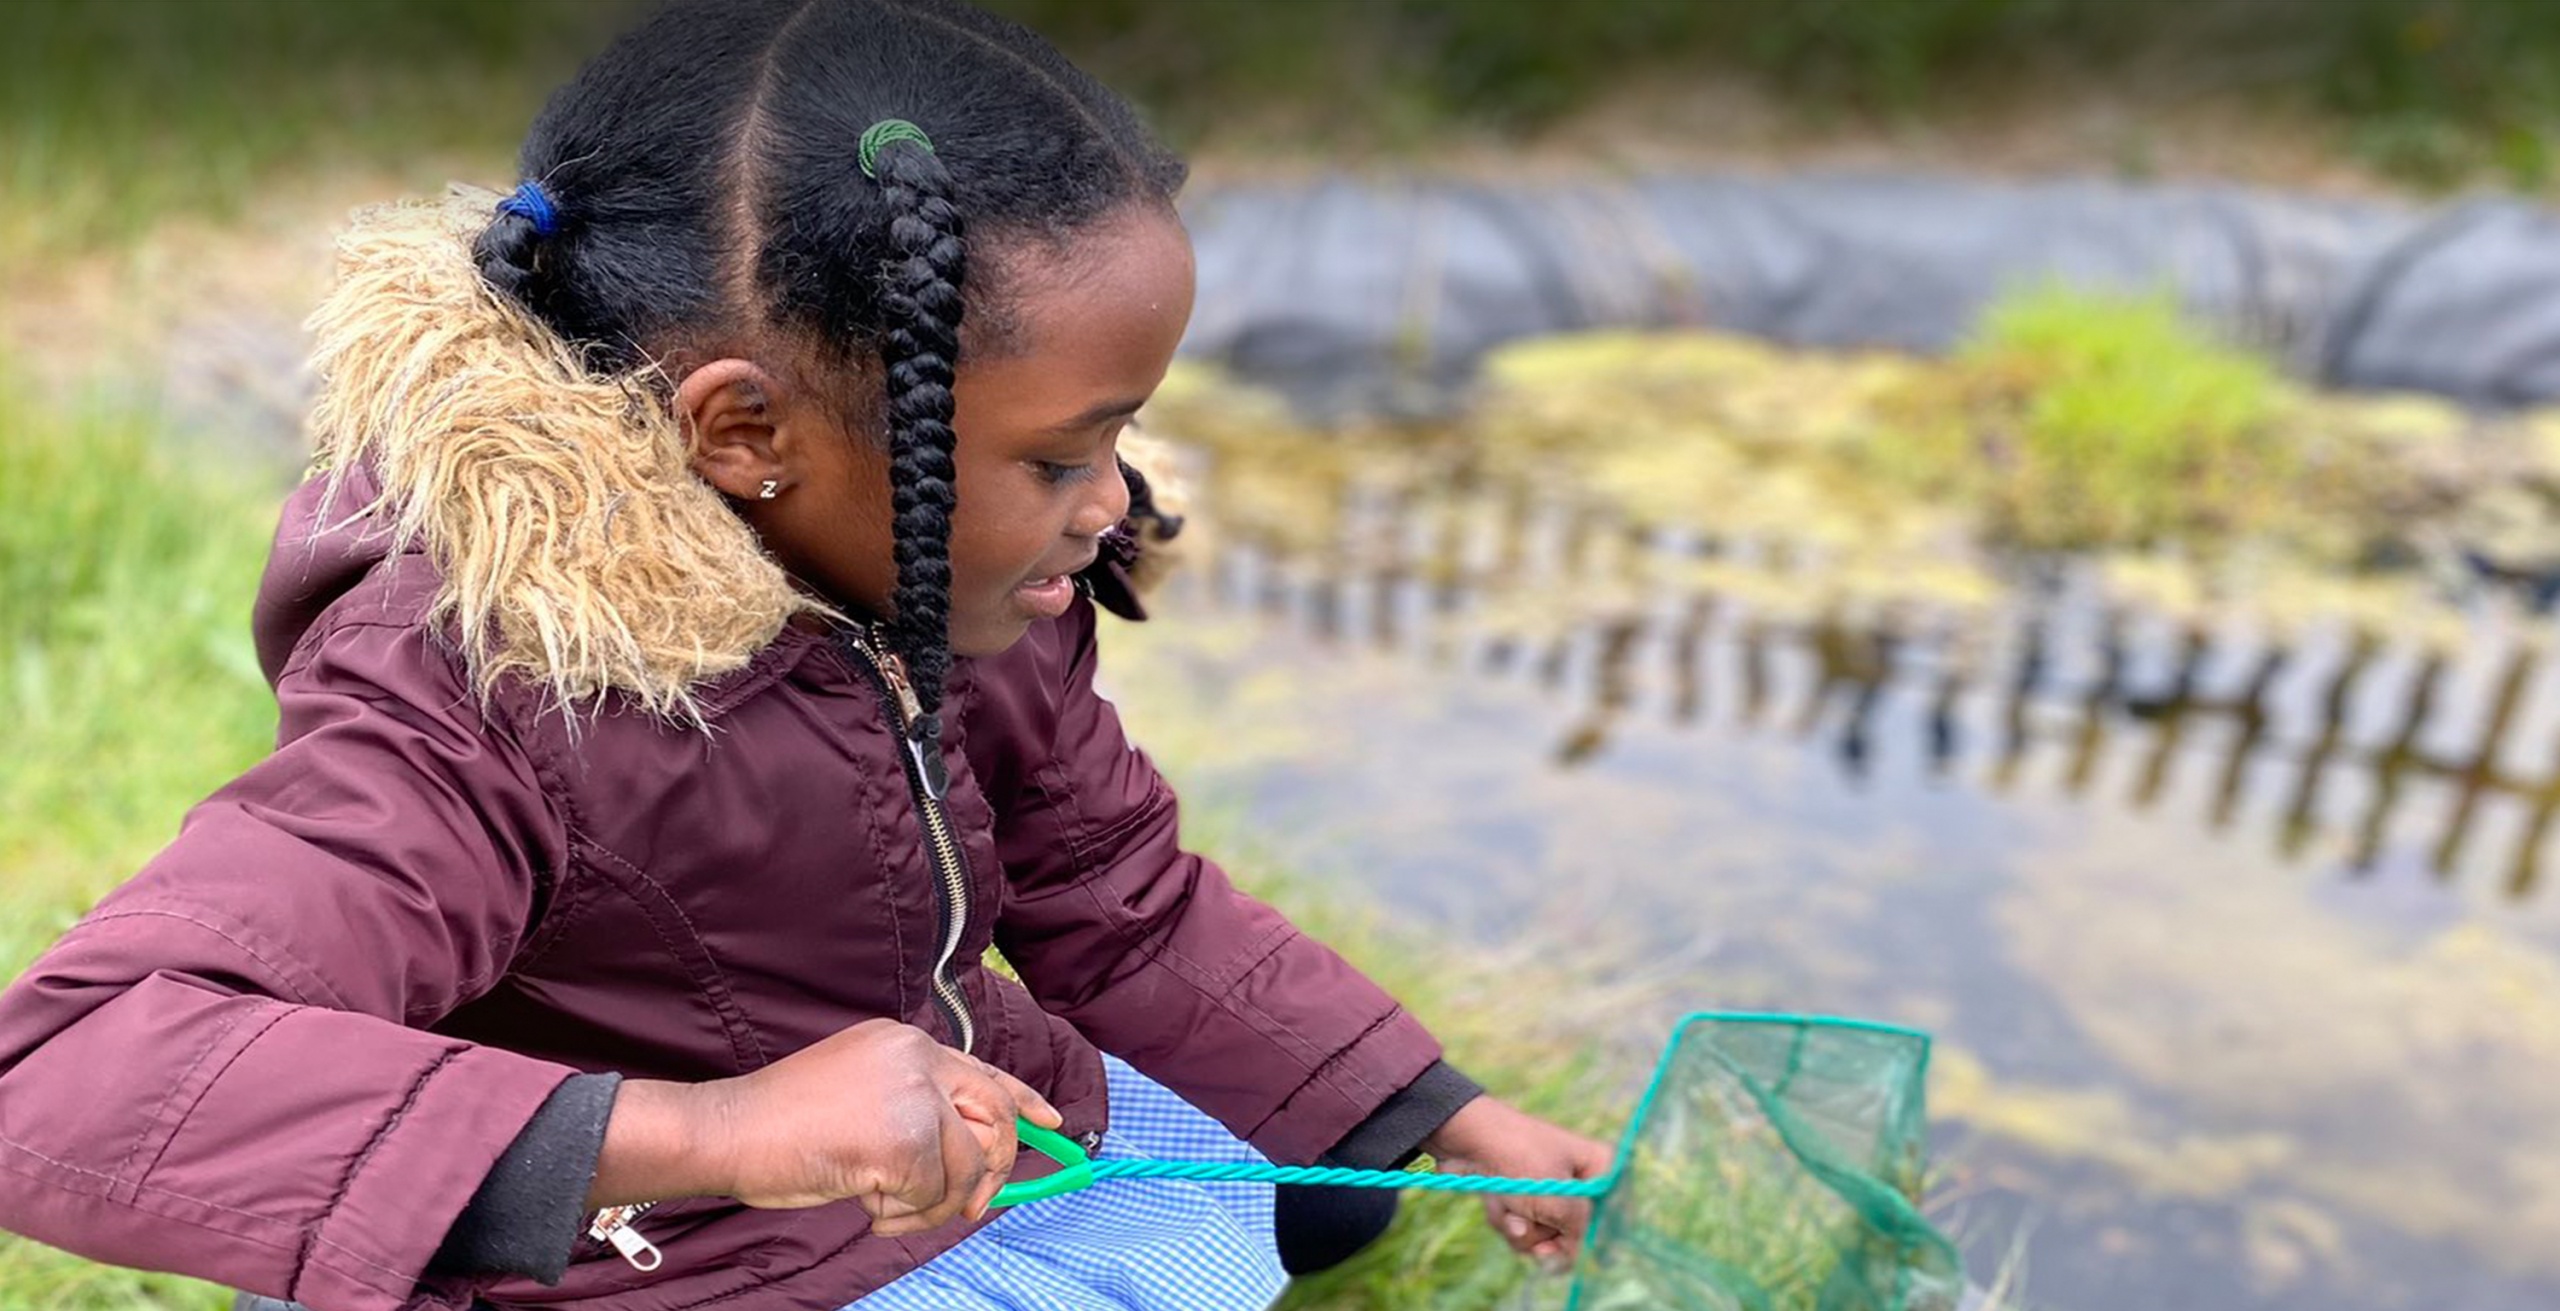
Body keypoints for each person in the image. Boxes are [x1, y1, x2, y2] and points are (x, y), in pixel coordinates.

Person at [0, 2, 1614, 1309]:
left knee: (1332, 1188)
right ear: (745, 429)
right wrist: (725, 1130)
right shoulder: (485, 697)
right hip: (664, 1251)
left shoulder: (966, 593)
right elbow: (66, 1072)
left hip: (951, 1138)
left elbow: (1115, 892)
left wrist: (1438, 1112)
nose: (1111, 505)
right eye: (1059, 458)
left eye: (1123, 436)